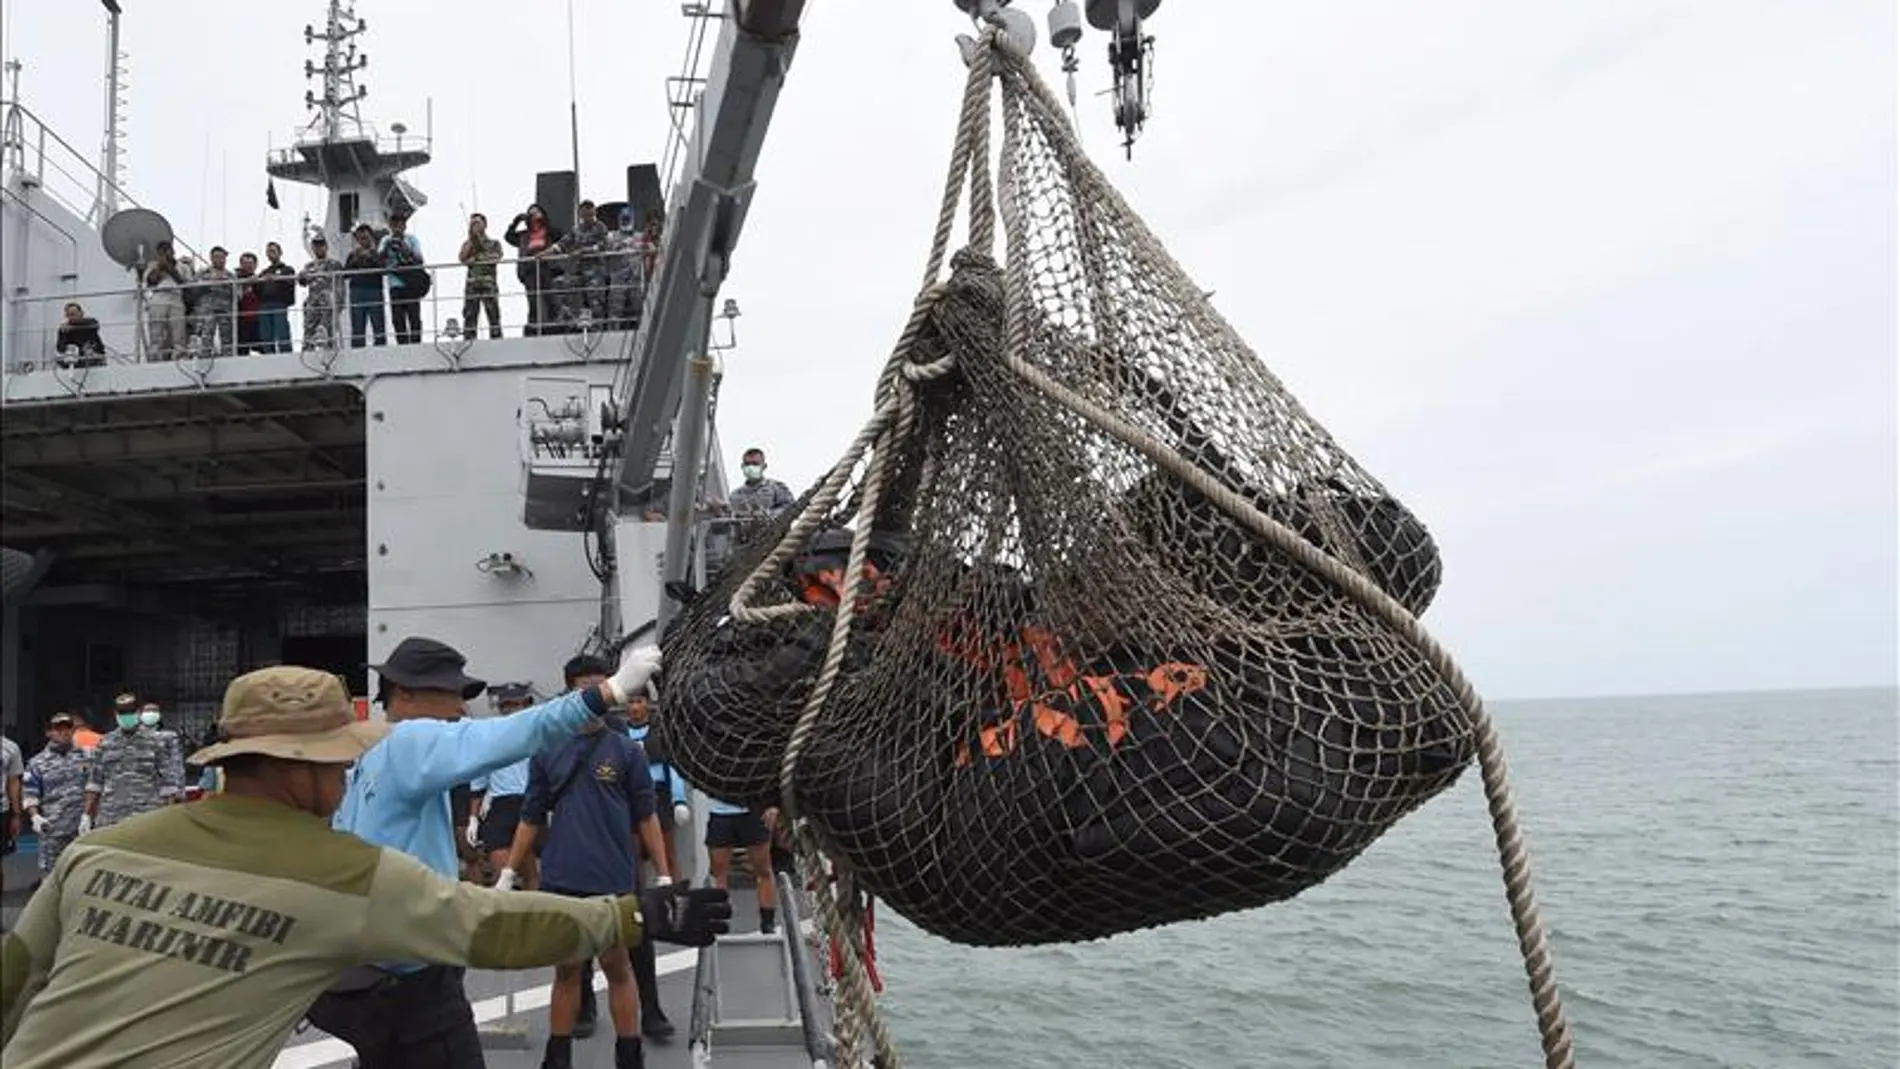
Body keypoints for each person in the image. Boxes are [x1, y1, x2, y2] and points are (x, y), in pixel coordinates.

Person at [0, 666, 731, 1069]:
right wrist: (639, 913)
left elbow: (16, 974)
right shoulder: (336, 876)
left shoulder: (102, 850)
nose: (350, 771)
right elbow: (488, 928)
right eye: (342, 758)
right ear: (310, 765)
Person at [305, 637, 663, 1068]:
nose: (460, 708)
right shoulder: (412, 740)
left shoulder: (364, 757)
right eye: (450, 694)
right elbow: (513, 734)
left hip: (366, 973)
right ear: (404, 694)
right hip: (416, 981)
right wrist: (610, 691)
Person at [497, 694, 674, 1068]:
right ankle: (557, 1056)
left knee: (617, 966)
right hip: (563, 876)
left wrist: (664, 871)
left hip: (613, 877)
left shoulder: (627, 752)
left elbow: (647, 816)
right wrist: (508, 871)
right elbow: (531, 816)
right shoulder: (548, 751)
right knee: (567, 969)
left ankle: (629, 1054)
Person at [466, 682, 536, 886]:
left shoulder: (536, 733)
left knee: (530, 870)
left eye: (516, 703)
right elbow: (479, 781)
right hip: (500, 804)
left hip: (530, 802)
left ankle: (534, 913)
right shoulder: (490, 735)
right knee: (503, 875)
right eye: (506, 704)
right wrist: (473, 817)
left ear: (524, 704)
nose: (511, 708)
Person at [81, 693, 184, 831]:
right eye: (122, 713)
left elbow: (168, 785)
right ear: (115, 714)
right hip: (111, 817)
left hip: (146, 817)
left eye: (130, 712)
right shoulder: (105, 743)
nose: (126, 717)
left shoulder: (156, 742)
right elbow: (95, 783)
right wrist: (86, 815)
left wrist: (170, 816)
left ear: (139, 712)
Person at [21, 712, 88, 886]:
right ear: (49, 733)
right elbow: (30, 794)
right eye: (58, 729)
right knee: (51, 883)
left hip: (81, 830)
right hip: (52, 831)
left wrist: (88, 815)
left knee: (81, 881)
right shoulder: (38, 763)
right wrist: (35, 816)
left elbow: (94, 787)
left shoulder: (86, 757)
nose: (64, 732)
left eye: (68, 728)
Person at [505, 204, 565, 337]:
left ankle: (555, 322)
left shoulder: (548, 231)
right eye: (531, 213)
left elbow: (559, 235)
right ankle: (533, 325)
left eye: (536, 212)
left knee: (550, 296)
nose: (533, 215)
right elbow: (508, 237)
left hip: (546, 265)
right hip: (529, 267)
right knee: (532, 298)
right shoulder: (524, 235)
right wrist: (516, 221)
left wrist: (544, 222)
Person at [381, 209, 428, 345]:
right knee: (397, 318)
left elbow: (419, 260)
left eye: (400, 225)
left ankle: (416, 343)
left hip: (411, 284)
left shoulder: (412, 240)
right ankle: (402, 344)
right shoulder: (385, 240)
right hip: (395, 285)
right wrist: (387, 247)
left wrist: (404, 247)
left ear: (404, 226)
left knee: (414, 317)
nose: (397, 228)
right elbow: (379, 261)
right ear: (390, 225)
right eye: (394, 224)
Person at [459, 213, 505, 339]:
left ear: (485, 225)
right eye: (472, 223)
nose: (474, 225)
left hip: (488, 283)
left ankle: (497, 339)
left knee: (493, 313)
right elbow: (462, 258)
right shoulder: (468, 244)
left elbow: (496, 257)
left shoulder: (494, 243)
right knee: (470, 314)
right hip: (472, 284)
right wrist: (472, 240)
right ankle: (469, 340)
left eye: (477, 222)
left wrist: (478, 257)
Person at [299, 233, 343, 350]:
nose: (319, 248)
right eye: (316, 245)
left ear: (326, 247)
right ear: (313, 248)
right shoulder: (309, 266)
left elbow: (339, 286)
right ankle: (307, 351)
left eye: (321, 245)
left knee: (328, 331)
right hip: (313, 303)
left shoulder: (334, 264)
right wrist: (302, 276)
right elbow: (302, 282)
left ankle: (331, 352)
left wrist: (339, 303)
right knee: (309, 330)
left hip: (328, 303)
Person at [727, 447, 796, 517]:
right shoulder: (735, 495)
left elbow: (791, 508)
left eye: (755, 464)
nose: (751, 467)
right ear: (742, 466)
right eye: (747, 464)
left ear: (764, 466)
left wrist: (768, 514)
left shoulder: (776, 488)